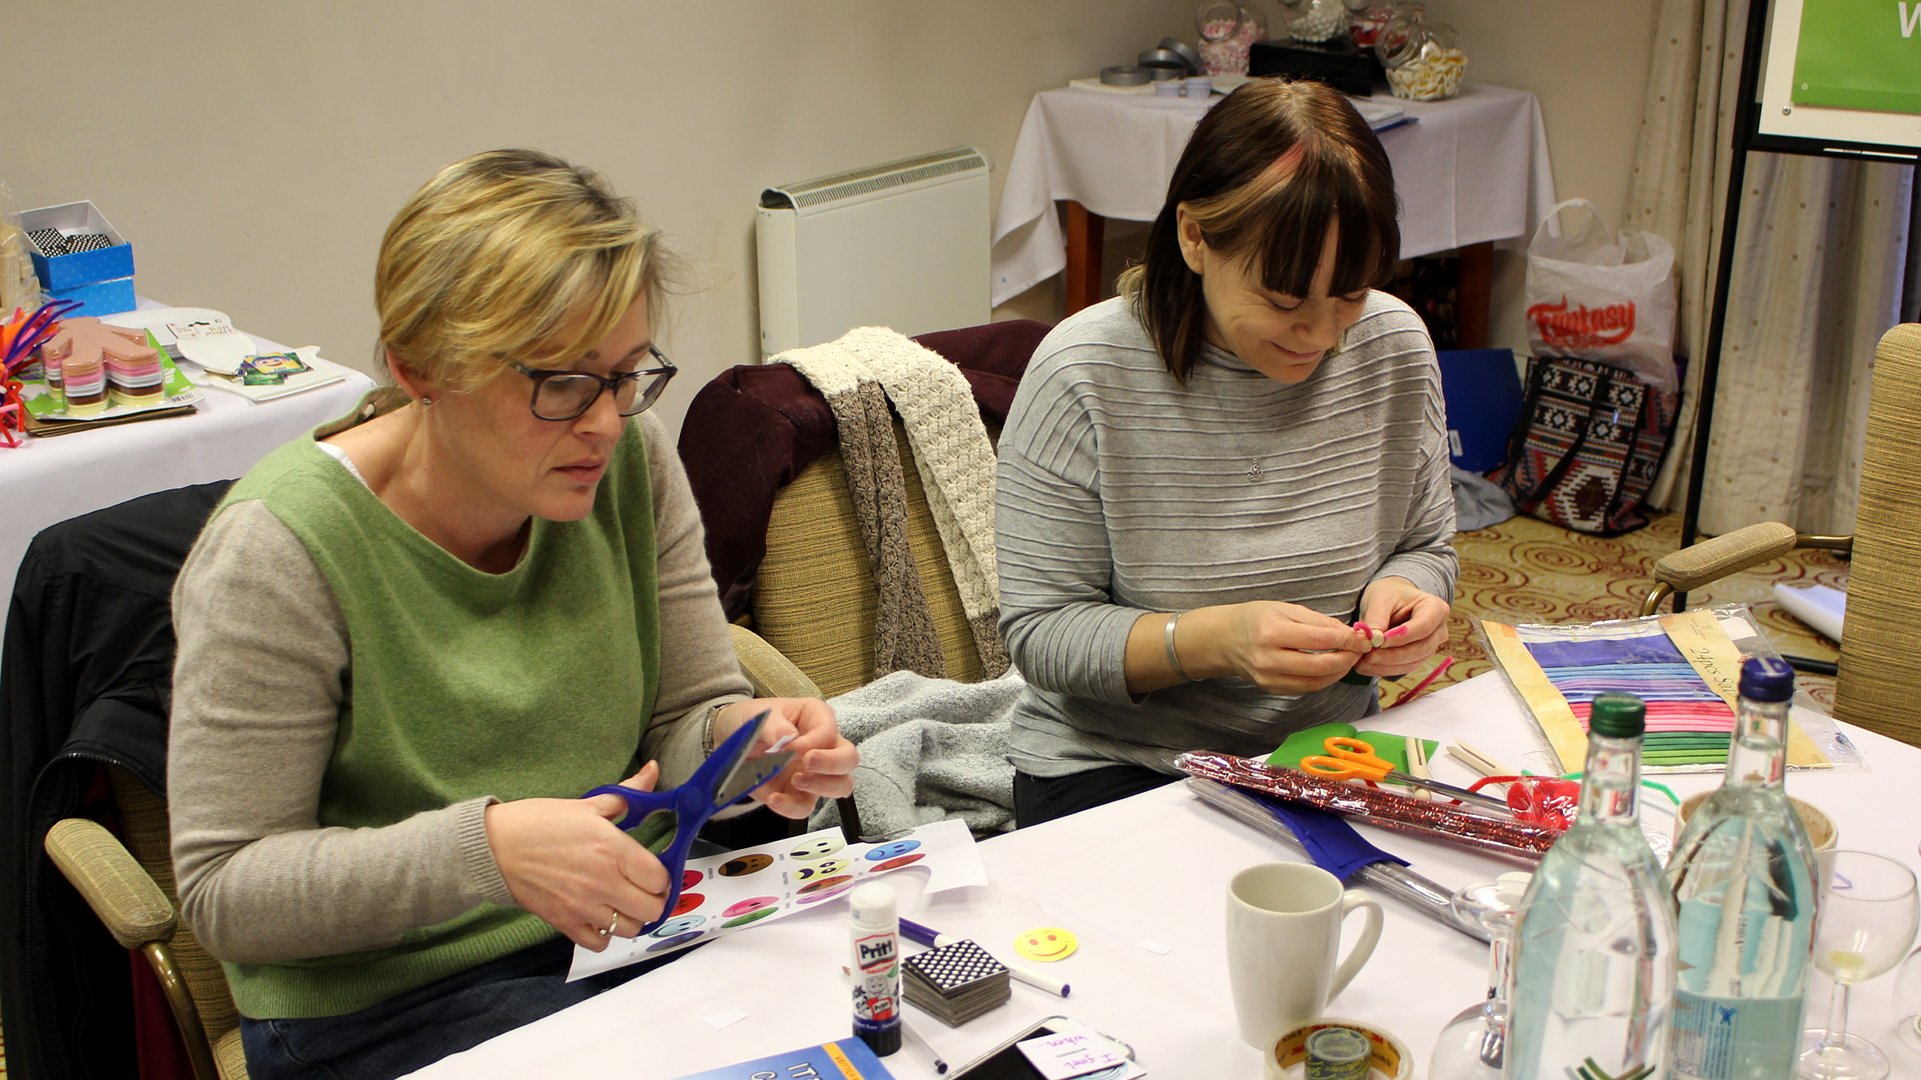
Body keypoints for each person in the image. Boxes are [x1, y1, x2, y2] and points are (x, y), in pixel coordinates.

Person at [168, 148, 858, 1078]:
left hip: (630, 925)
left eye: (626, 374)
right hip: (390, 1000)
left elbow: (687, 713)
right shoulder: (277, 550)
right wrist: (487, 853)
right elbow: (228, 891)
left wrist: (750, 743)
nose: (604, 422)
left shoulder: (627, 457)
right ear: (420, 369)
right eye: (560, 383)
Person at [995, 80, 1457, 827]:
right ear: (1195, 238)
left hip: (1320, 755)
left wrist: (1411, 593)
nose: (1322, 335)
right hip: (1122, 764)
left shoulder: (1393, 345)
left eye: (1349, 295)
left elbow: (1424, 545)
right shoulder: (1083, 371)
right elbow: (1041, 634)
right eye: (1284, 301)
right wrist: (1209, 643)